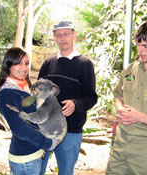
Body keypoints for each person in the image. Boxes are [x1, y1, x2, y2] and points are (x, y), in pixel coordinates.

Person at [106, 20, 147, 175]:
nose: (140, 50)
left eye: (146, 46)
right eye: (138, 44)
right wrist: (120, 110)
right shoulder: (130, 70)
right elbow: (119, 97)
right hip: (120, 143)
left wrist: (139, 117)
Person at [38, 21, 98, 175]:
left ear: (74, 35)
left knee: (66, 171)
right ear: (54, 38)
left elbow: (91, 97)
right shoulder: (48, 63)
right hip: (45, 130)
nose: (62, 38)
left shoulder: (85, 64)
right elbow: (38, 92)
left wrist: (75, 104)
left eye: (66, 34)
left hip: (71, 131)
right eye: (59, 35)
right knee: (37, 169)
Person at [0, 47, 58, 175]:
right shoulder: (7, 92)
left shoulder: (22, 87)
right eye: (18, 63)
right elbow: (19, 128)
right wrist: (49, 143)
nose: (24, 68)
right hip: (25, 159)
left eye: (26, 63)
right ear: (8, 65)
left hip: (32, 154)